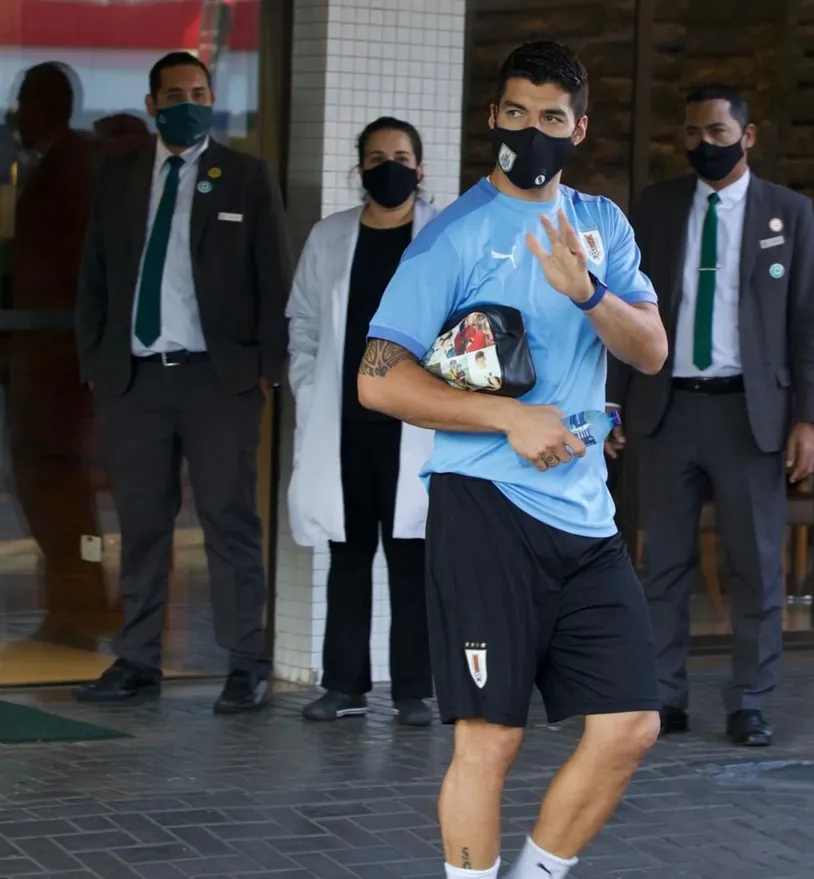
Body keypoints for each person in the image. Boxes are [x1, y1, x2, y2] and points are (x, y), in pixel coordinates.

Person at [357, 40, 667, 879]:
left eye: (553, 119)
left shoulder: (602, 225)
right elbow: (378, 379)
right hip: (484, 511)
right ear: (493, 118)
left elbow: (650, 349)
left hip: (585, 516)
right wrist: (506, 418)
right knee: (491, 739)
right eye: (518, 115)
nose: (534, 131)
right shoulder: (452, 235)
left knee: (632, 722)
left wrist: (589, 293)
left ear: (579, 127)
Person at [606, 84, 814, 748]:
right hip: (667, 407)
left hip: (749, 414)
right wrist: (611, 400)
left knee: (757, 565)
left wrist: (810, 419)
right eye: (692, 133)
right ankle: (663, 697)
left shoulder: (787, 214)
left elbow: (809, 323)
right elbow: (624, 309)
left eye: (716, 132)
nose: (703, 144)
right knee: (663, 563)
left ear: (748, 135)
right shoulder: (657, 208)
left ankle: (750, 700)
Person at [74, 51, 292, 712]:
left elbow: (272, 281)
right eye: (175, 94)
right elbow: (96, 279)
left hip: (215, 381)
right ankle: (138, 659)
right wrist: (97, 363)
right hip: (134, 382)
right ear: (152, 104)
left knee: (229, 521)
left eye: (199, 92)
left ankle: (245, 663)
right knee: (141, 524)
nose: (188, 102)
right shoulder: (117, 178)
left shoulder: (246, 177)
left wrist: (267, 372)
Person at [287, 117, 436, 726]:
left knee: (411, 557)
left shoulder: (443, 237)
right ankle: (344, 686)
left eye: (400, 156)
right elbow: (302, 323)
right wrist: (308, 387)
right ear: (359, 168)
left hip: (417, 422)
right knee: (348, 556)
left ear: (420, 168)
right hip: (346, 421)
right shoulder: (330, 237)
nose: (389, 166)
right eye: (376, 157)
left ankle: (413, 692)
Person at [9, 62, 113, 648]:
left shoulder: (73, 166)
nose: (15, 115)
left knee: (58, 490)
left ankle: (80, 610)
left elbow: (71, 268)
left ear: (46, 105)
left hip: (57, 366)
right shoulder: (55, 163)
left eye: (23, 101)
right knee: (45, 492)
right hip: (39, 361)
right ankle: (73, 607)